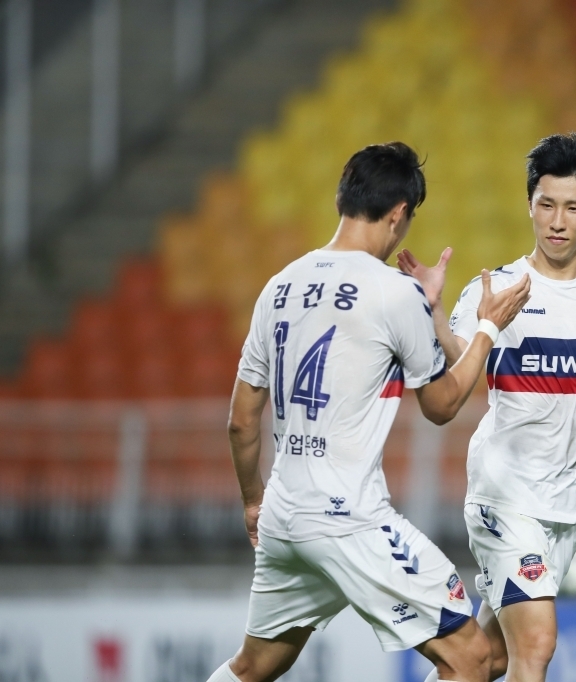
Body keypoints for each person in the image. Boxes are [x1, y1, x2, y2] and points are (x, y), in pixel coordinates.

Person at [206, 142, 532, 682]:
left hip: (284, 515)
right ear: (400, 213)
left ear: (343, 196)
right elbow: (443, 405)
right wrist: (487, 327)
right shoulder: (392, 291)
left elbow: (241, 420)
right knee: (473, 660)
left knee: (251, 668)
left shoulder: (279, 287)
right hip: (348, 517)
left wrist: (252, 502)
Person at [398, 132, 576, 682]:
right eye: (546, 205)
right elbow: (456, 368)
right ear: (529, 204)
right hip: (506, 496)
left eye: (573, 208)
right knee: (535, 646)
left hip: (569, 507)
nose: (557, 221)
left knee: (484, 661)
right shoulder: (498, 289)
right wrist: (436, 314)